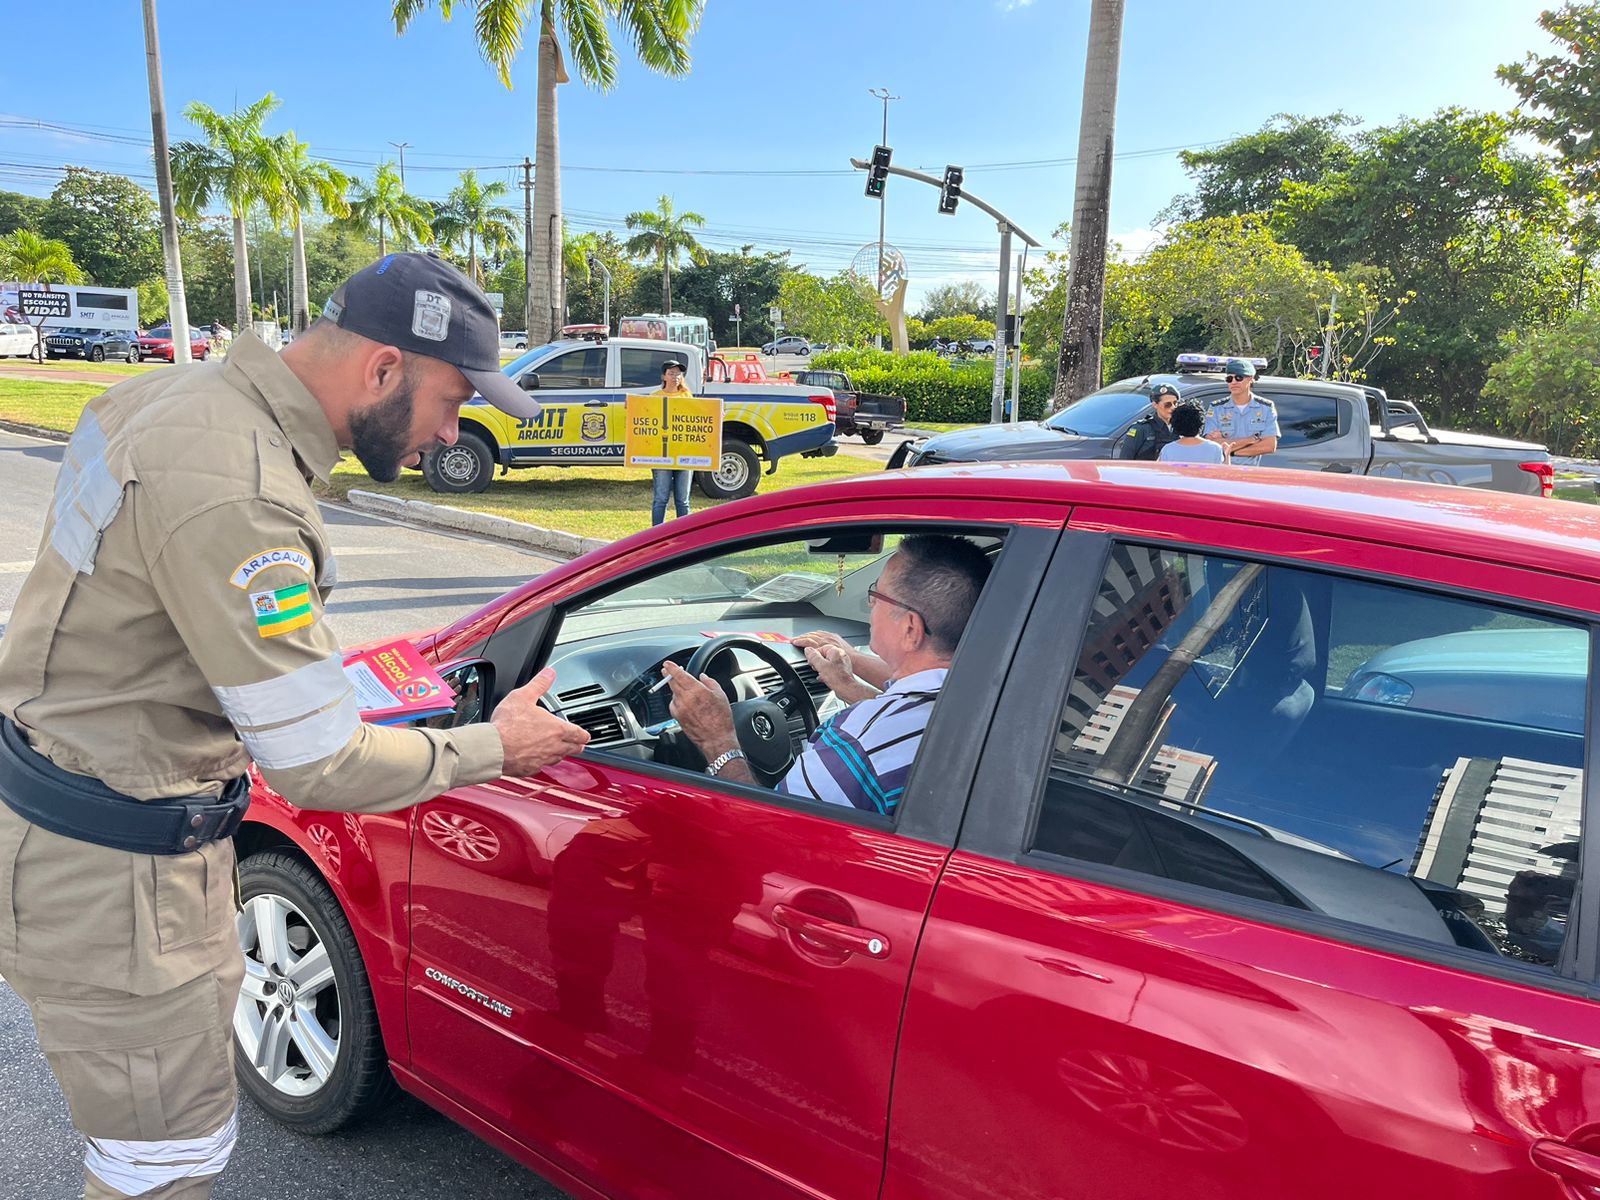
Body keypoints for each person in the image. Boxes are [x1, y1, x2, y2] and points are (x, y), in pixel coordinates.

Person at [0, 252, 592, 1200]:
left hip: (65, 821)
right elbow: (318, 764)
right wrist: (497, 747)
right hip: (120, 885)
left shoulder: (165, 399)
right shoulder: (243, 499)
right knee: (159, 1173)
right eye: (452, 398)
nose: (454, 429)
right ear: (384, 368)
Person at [662, 534, 991, 814]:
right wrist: (849, 671)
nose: (871, 604)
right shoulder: (988, 696)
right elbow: (906, 703)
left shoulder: (859, 743)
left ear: (910, 629)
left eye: (875, 594)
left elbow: (771, 833)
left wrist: (717, 739)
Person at [1204, 357, 1279, 464]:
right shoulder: (1216, 408)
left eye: (1238, 378)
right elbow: (1211, 444)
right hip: (1222, 471)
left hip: (1251, 473)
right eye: (1229, 379)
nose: (1233, 382)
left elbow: (1269, 446)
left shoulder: (1265, 407)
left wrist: (1230, 451)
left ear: (1250, 379)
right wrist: (1248, 441)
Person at [650, 358, 695, 526]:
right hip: (662, 456)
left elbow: (699, 420)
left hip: (684, 454)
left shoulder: (687, 396)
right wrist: (631, 407)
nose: (675, 376)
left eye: (678, 373)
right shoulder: (654, 397)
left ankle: (683, 537)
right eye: (671, 373)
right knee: (661, 498)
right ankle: (655, 536)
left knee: (683, 501)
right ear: (663, 377)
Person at [1110, 383, 1180, 460]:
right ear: (1155, 405)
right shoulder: (1141, 429)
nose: (1173, 407)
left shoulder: (1181, 428)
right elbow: (1125, 460)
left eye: (1175, 403)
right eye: (1168, 404)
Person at [1158, 402, 1228, 464]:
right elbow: (1224, 475)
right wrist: (1227, 456)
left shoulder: (1168, 450)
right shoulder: (1215, 448)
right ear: (1201, 421)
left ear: (1175, 423)